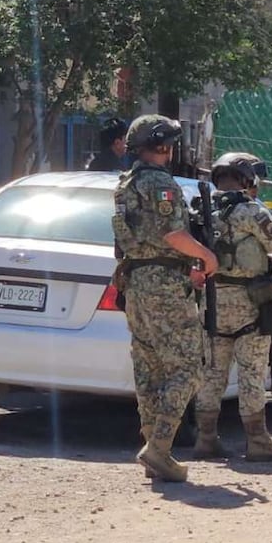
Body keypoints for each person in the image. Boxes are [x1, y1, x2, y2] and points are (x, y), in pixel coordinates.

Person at [112, 114, 218, 482]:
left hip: (137, 279)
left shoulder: (128, 182)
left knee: (150, 368)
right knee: (188, 368)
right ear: (161, 145)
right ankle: (158, 448)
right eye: (169, 143)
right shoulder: (158, 181)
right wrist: (206, 256)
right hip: (162, 284)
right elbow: (172, 233)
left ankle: (157, 448)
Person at [191, 152, 272, 462]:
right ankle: (257, 440)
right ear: (247, 178)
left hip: (213, 302)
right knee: (251, 372)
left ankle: (206, 437)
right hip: (251, 301)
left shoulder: (200, 210)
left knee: (213, 373)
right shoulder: (251, 212)